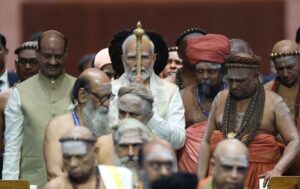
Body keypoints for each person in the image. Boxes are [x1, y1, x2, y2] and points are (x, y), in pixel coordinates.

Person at [198, 53, 300, 189]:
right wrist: (199, 179)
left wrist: (279, 169)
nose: (233, 85)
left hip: (262, 176)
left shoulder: (273, 101)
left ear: (255, 77)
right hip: (223, 175)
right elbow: (205, 141)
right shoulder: (221, 97)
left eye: (240, 81)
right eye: (230, 80)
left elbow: (295, 141)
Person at [2, 30, 76, 188]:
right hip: (32, 182)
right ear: (38, 54)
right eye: (47, 56)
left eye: (58, 56)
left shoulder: (79, 89)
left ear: (66, 54)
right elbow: (12, 147)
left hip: (72, 183)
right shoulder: (20, 92)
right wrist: (10, 185)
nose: (53, 62)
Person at [110, 27, 185, 150]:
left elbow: (178, 141)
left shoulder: (170, 91)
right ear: (123, 59)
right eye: (131, 57)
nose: (138, 63)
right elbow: (100, 133)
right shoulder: (110, 90)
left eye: (144, 57)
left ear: (153, 58)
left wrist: (148, 114)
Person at [44, 68, 113, 179]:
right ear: (82, 95)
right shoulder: (58, 126)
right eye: (103, 97)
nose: (108, 104)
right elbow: (53, 173)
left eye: (110, 97)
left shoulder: (110, 127)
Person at [178, 34, 229, 174]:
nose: (205, 76)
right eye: (200, 71)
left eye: (211, 71)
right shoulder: (183, 97)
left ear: (223, 71)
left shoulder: (233, 96)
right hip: (189, 172)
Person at [45, 126, 133, 189]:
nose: (73, 164)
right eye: (67, 157)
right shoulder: (55, 187)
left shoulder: (119, 177)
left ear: (95, 152)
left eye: (79, 156)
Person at [0, 41, 39, 179]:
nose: (27, 67)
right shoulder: (5, 98)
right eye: (23, 62)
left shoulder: (52, 97)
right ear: (16, 65)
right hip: (12, 167)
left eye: (33, 62)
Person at [265, 39, 300, 175]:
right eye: (280, 69)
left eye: (290, 67)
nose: (285, 74)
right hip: (273, 169)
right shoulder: (266, 92)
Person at [113, 118, 152, 188]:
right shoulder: (104, 181)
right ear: (115, 148)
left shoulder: (159, 182)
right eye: (124, 146)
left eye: (136, 145)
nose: (130, 153)